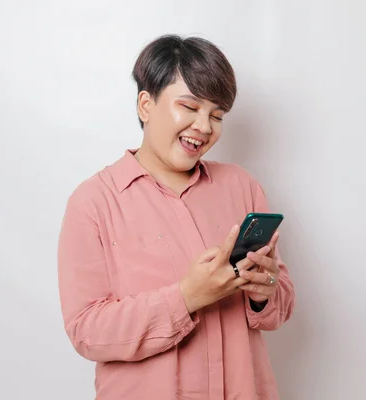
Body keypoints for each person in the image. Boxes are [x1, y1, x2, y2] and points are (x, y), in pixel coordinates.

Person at [57, 34, 295, 399]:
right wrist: (185, 298)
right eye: (190, 106)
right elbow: (87, 331)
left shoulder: (242, 187)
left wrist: (264, 293)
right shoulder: (93, 202)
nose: (204, 126)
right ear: (146, 105)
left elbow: (280, 307)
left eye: (217, 115)